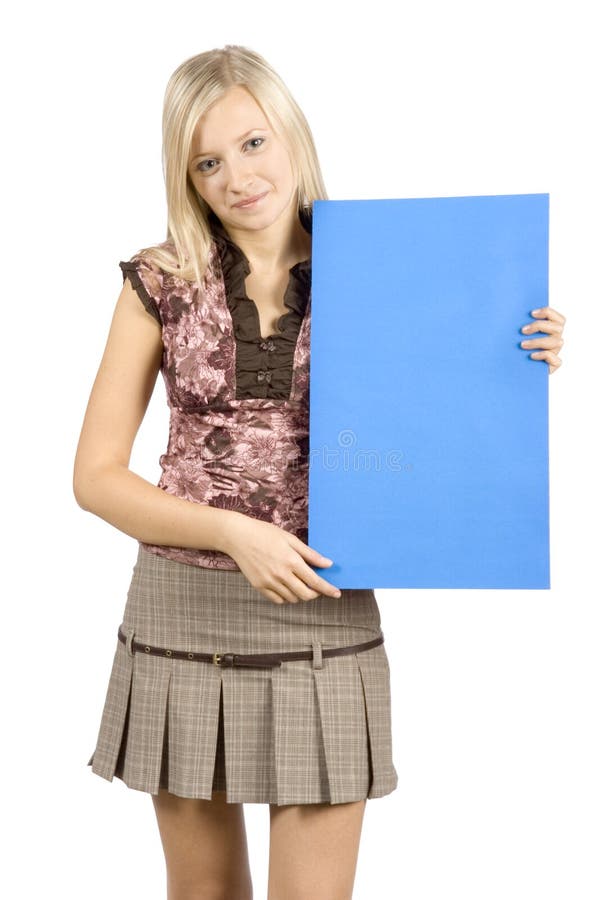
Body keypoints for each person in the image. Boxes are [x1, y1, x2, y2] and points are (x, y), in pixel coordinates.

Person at [73, 45, 566, 900]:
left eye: (253, 143)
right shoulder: (161, 280)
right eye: (208, 162)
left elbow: (451, 410)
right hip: (181, 609)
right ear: (186, 176)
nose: (238, 178)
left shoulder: (386, 269)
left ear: (291, 132)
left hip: (323, 607)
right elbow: (95, 476)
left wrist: (515, 353)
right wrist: (234, 534)